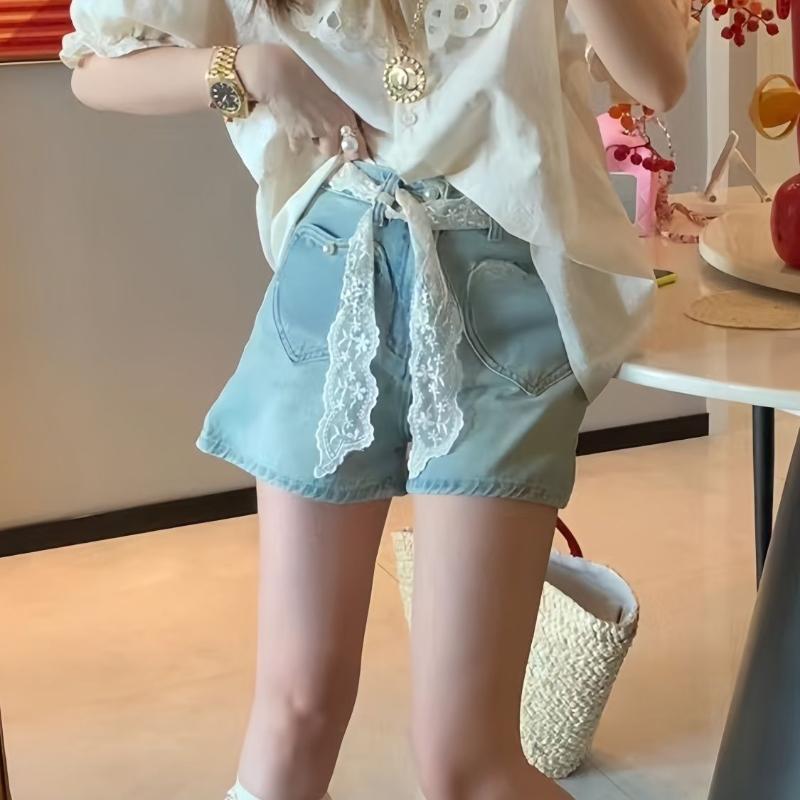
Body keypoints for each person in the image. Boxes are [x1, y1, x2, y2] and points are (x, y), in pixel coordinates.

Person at [61, 1, 690, 798]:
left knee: (465, 766)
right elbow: (95, 71)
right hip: (333, 270)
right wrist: (250, 69)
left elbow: (658, 78)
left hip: (502, 291)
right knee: (293, 719)